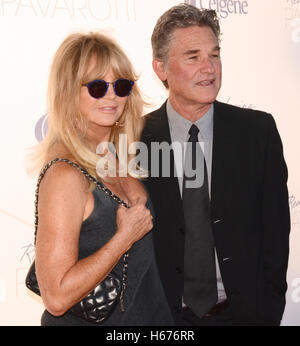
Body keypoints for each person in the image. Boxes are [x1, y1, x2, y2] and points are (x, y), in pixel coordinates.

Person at [141, 4, 290, 326]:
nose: (209, 68)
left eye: (215, 55)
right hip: (163, 317)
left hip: (243, 316)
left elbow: (276, 235)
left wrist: (267, 313)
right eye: (193, 57)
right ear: (161, 68)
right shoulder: (133, 141)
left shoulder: (257, 132)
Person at [31, 31, 174, 326]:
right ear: (69, 93)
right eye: (97, 86)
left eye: (121, 85)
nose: (112, 95)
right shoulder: (65, 175)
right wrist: (124, 237)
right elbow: (55, 298)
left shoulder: (117, 158)